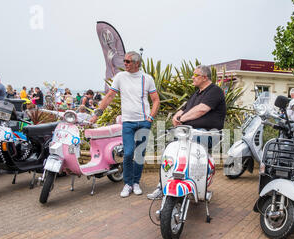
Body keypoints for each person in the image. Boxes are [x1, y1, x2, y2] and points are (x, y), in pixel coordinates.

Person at [147, 65, 226, 200]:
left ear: (204, 77)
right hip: (188, 132)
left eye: (195, 75)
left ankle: (196, 185)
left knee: (189, 152)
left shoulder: (215, 91)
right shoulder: (197, 93)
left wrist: (182, 119)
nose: (192, 78)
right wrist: (176, 117)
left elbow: (201, 109)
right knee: (170, 152)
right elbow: (184, 109)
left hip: (207, 133)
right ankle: (162, 185)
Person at [91, 51, 160, 198]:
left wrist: (150, 119)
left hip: (143, 122)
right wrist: (97, 113)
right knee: (128, 153)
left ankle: (136, 183)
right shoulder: (120, 77)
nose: (125, 64)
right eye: (125, 61)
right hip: (128, 122)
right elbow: (109, 96)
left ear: (137, 63)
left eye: (128, 61)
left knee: (139, 155)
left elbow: (155, 100)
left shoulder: (147, 79)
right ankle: (127, 184)